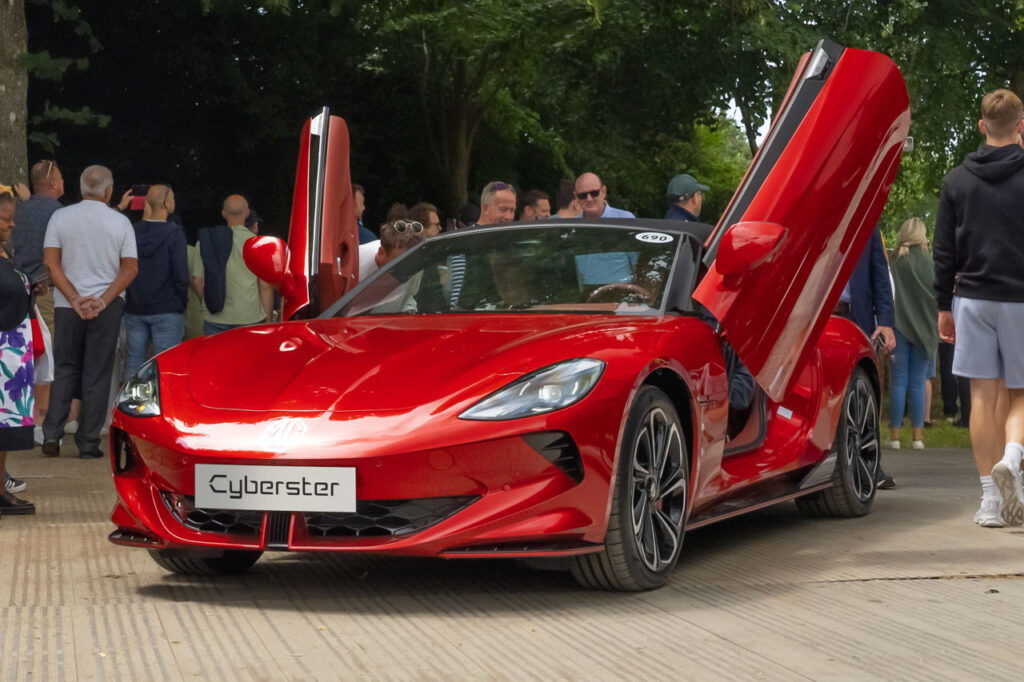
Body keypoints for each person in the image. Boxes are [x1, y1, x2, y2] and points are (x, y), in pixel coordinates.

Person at [934, 88, 1024, 528]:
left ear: (982, 126)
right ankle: (1013, 455)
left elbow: (943, 251)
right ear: (1022, 126)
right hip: (1021, 300)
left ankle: (990, 500)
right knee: (1022, 393)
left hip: (971, 299)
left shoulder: (956, 180)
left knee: (981, 398)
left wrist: (941, 306)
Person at [40, 165, 137, 459]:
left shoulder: (60, 217)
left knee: (65, 368)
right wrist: (102, 300)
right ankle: (87, 442)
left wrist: (73, 297)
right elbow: (130, 268)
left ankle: (52, 435)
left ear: (81, 188)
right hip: (106, 306)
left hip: (67, 305)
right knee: (97, 372)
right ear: (108, 191)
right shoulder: (121, 223)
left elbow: (51, 263)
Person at [834, 227, 897, 487]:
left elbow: (880, 274)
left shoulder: (867, 221)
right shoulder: (814, 212)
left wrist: (885, 322)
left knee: (863, 392)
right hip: (818, 318)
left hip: (856, 318)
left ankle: (868, 463)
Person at [12, 160, 64, 436]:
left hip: (15, 290)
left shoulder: (18, 211)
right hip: (46, 291)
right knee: (45, 355)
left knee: (22, 354)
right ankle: (40, 421)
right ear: (54, 183)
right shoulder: (59, 214)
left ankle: (19, 413)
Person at [123, 185, 189, 376]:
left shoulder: (132, 231)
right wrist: (181, 302)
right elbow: (181, 275)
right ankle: (165, 405)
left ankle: (130, 404)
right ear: (168, 203)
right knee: (166, 364)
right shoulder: (175, 234)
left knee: (134, 361)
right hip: (167, 308)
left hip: (135, 308)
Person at [887, 217, 938, 450]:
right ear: (922, 235)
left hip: (899, 326)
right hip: (924, 329)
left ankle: (894, 437)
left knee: (898, 381)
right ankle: (918, 438)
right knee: (918, 381)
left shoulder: (896, 260)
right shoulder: (931, 262)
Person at [191, 195, 274, 335]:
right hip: (250, 318)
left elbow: (197, 281)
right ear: (247, 213)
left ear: (223, 213)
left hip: (215, 319)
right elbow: (265, 287)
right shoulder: (259, 245)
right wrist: (268, 320)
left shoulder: (206, 243)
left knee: (216, 357)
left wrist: (209, 304)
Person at [0, 192, 36, 513]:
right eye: (5, 218)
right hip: (2, 351)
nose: (12, 224)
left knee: (4, 428)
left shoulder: (4, 252)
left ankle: (0, 489)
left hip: (12, 352)